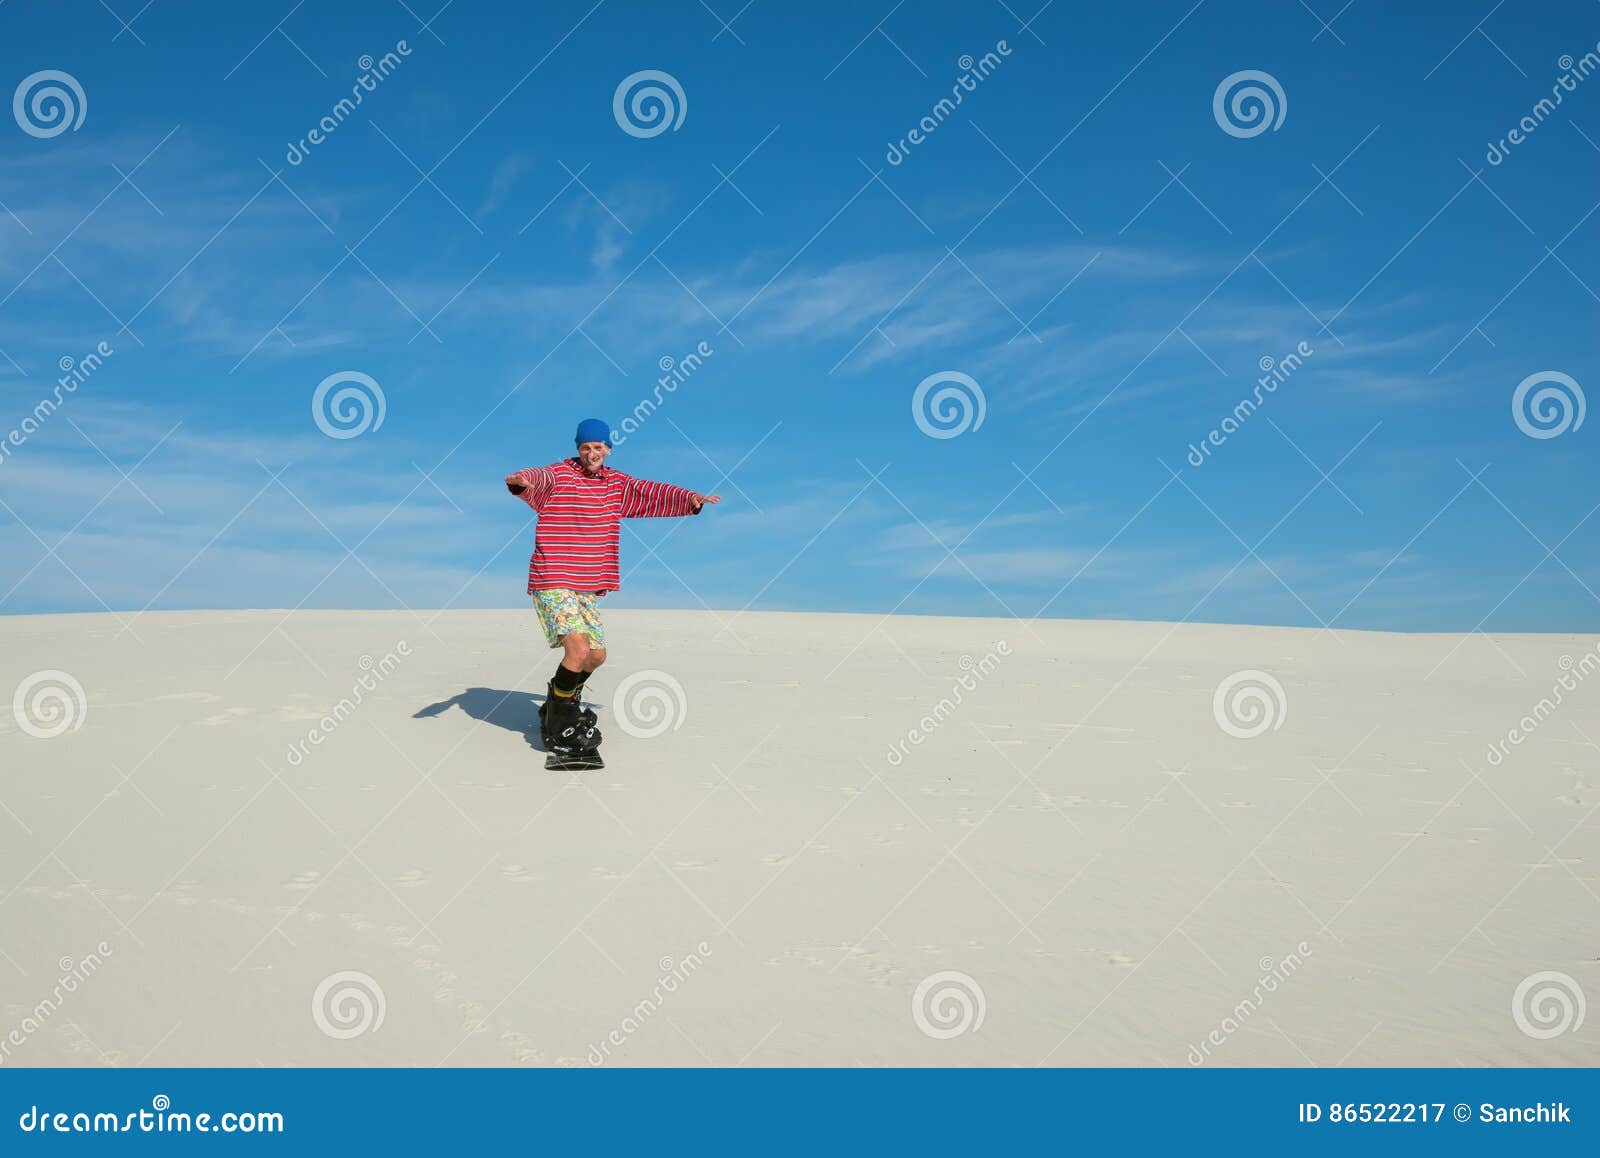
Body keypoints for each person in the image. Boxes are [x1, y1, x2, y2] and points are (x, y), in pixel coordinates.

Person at [504, 418, 720, 757]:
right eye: (586, 447)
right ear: (579, 449)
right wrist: (522, 481)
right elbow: (538, 478)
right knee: (576, 650)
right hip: (554, 578)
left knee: (596, 656)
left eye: (599, 447)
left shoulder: (616, 484)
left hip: (586, 584)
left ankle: (558, 701)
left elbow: (649, 492)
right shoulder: (561, 475)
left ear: (608, 448)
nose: (593, 453)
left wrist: (690, 498)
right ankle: (562, 723)